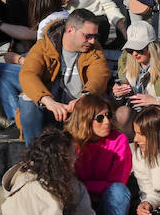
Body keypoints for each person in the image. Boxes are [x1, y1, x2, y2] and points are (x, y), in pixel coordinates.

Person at [16, 10, 110, 144]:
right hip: (49, 110)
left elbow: (100, 74)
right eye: (88, 36)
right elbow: (28, 74)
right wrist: (48, 101)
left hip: (78, 113)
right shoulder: (44, 46)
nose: (92, 40)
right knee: (27, 98)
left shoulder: (94, 49)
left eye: (95, 36)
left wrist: (85, 97)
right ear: (70, 30)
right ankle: (34, 155)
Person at [65, 93, 133, 215]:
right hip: (78, 202)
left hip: (107, 202)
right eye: (100, 118)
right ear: (86, 120)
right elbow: (69, 182)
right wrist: (93, 189)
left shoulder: (119, 140)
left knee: (119, 191)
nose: (107, 121)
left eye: (108, 115)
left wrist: (87, 186)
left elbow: (118, 182)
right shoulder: (71, 142)